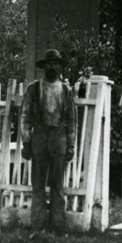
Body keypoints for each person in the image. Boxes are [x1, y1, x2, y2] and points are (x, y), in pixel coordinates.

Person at [20, 49, 76, 233]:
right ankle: (38, 226)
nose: (53, 67)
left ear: (60, 67)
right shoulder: (33, 89)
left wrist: (70, 145)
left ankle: (58, 227)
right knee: (38, 184)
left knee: (57, 185)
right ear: (44, 67)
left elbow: (71, 121)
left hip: (59, 138)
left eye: (56, 63)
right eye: (49, 63)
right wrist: (26, 142)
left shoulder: (66, 91)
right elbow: (25, 117)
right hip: (39, 137)